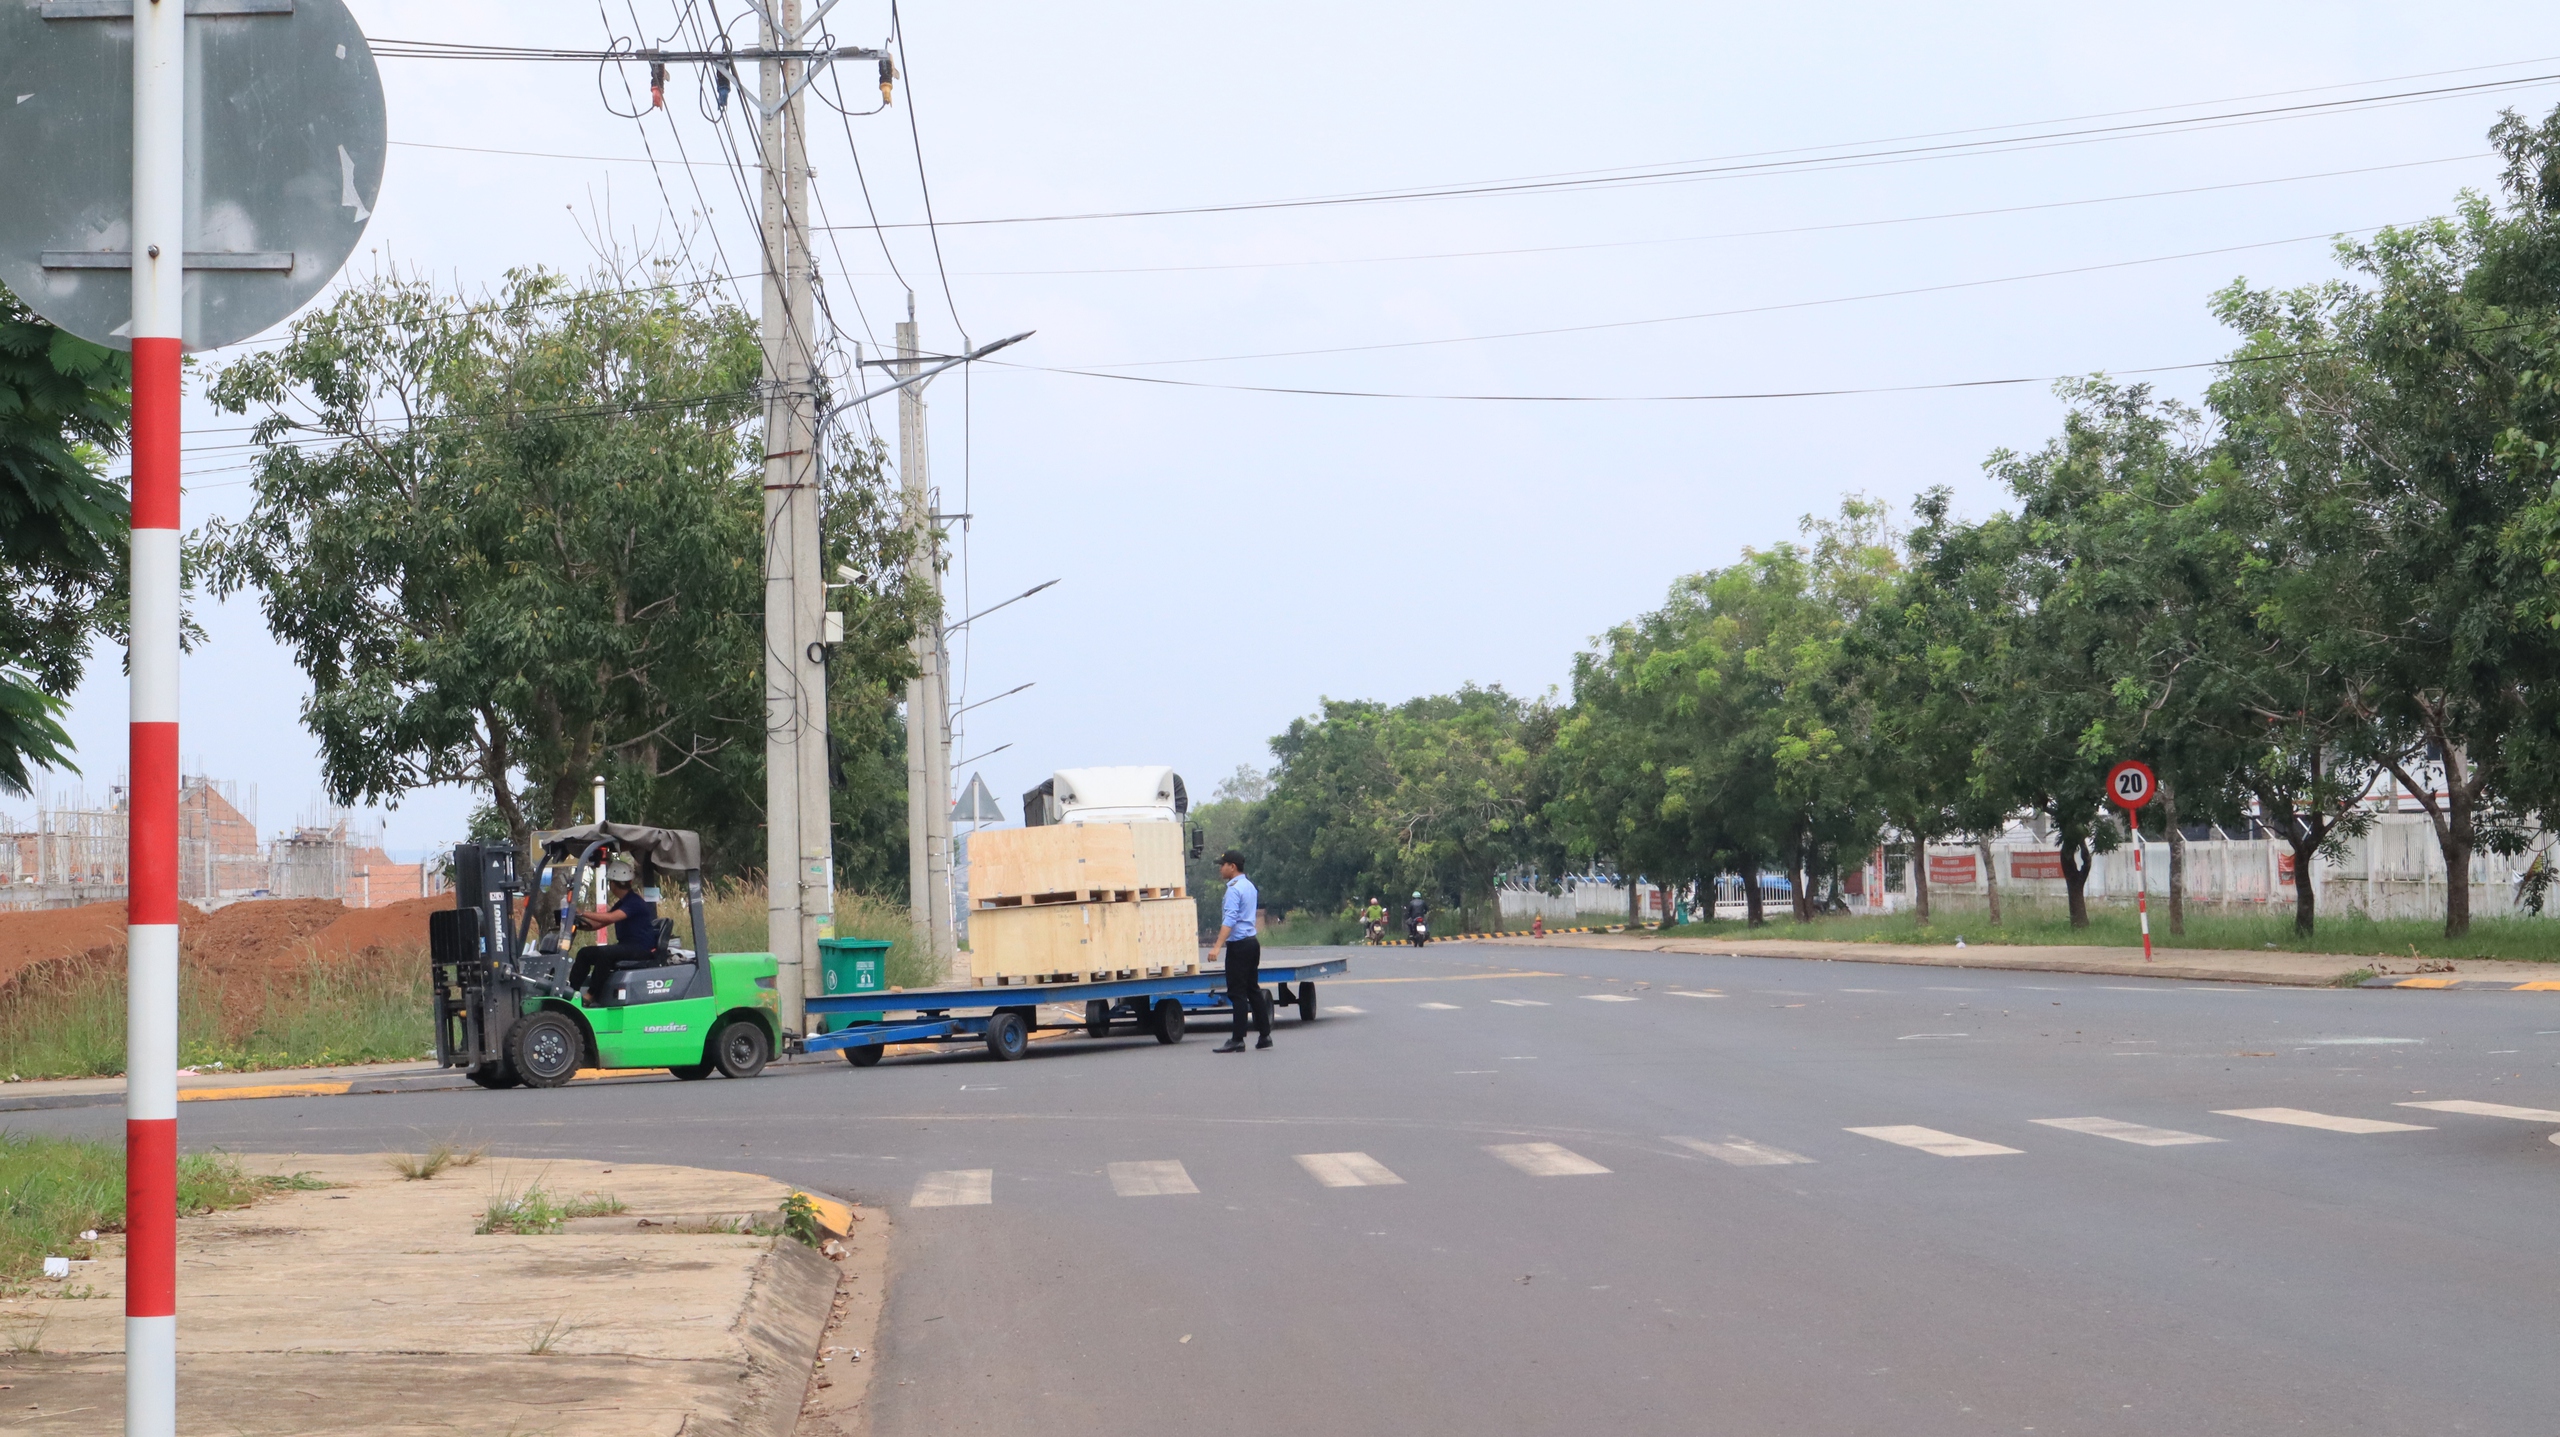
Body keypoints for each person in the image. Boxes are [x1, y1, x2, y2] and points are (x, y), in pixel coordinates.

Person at [568, 857, 660, 1000]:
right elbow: (598, 924)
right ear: (629, 882)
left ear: (612, 884)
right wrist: (578, 924)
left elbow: (610, 918)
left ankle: (592, 995)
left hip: (640, 948)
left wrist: (581, 912)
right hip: (627, 946)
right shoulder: (623, 903)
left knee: (605, 954)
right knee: (585, 953)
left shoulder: (634, 902)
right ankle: (570, 992)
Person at [1210, 848, 1269, 1052]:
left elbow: (1230, 919)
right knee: (1253, 989)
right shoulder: (1250, 886)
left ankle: (1238, 1039)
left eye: (1222, 865)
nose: (1220, 868)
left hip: (1239, 946)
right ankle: (1264, 1035)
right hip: (1252, 942)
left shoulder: (1234, 889)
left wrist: (1217, 946)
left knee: (1237, 993)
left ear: (1232, 867)